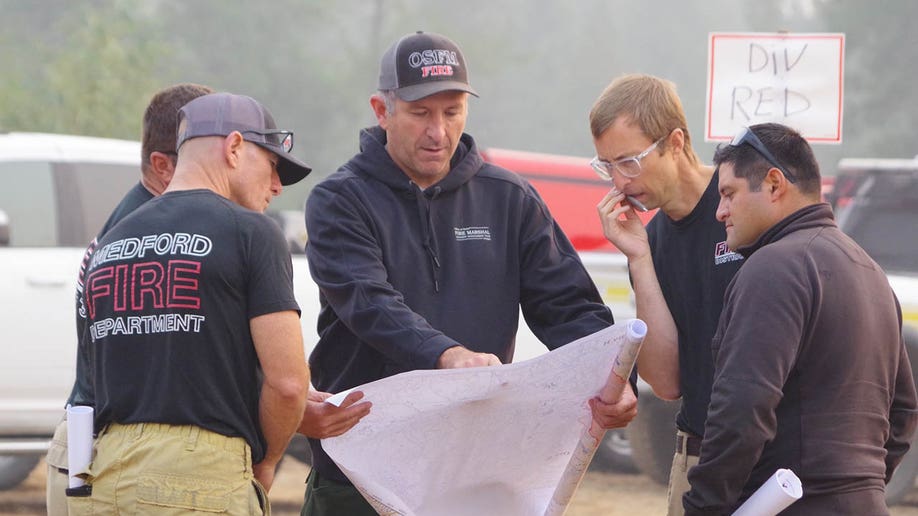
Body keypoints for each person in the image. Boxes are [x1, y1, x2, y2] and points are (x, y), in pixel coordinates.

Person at [302, 30, 636, 515]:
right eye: (421, 113)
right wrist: (447, 355)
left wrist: (608, 375)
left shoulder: (508, 197)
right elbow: (368, 302)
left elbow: (566, 304)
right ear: (381, 110)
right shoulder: (340, 200)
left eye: (452, 111)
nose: (438, 131)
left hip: (473, 473)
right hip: (362, 471)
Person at [66, 92, 312, 515]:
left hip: (104, 474)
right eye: (272, 167)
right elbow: (289, 384)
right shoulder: (252, 232)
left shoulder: (109, 242)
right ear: (234, 148)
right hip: (199, 477)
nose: (275, 187)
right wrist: (268, 460)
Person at [683, 123, 918, 514]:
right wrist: (858, 485)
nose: (720, 211)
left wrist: (702, 508)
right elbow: (905, 411)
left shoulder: (772, 268)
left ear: (774, 184)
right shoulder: (872, 273)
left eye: (728, 193)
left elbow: (742, 408)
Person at [45, 82, 214, 516]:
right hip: (105, 453)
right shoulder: (154, 236)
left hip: (95, 446)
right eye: (206, 154)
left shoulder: (139, 224)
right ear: (162, 165)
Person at [591, 73, 744, 515]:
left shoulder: (743, 205)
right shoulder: (649, 240)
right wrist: (639, 258)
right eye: (607, 166)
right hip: (698, 450)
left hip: (775, 449)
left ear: (675, 141)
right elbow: (667, 382)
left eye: (629, 162)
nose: (619, 182)